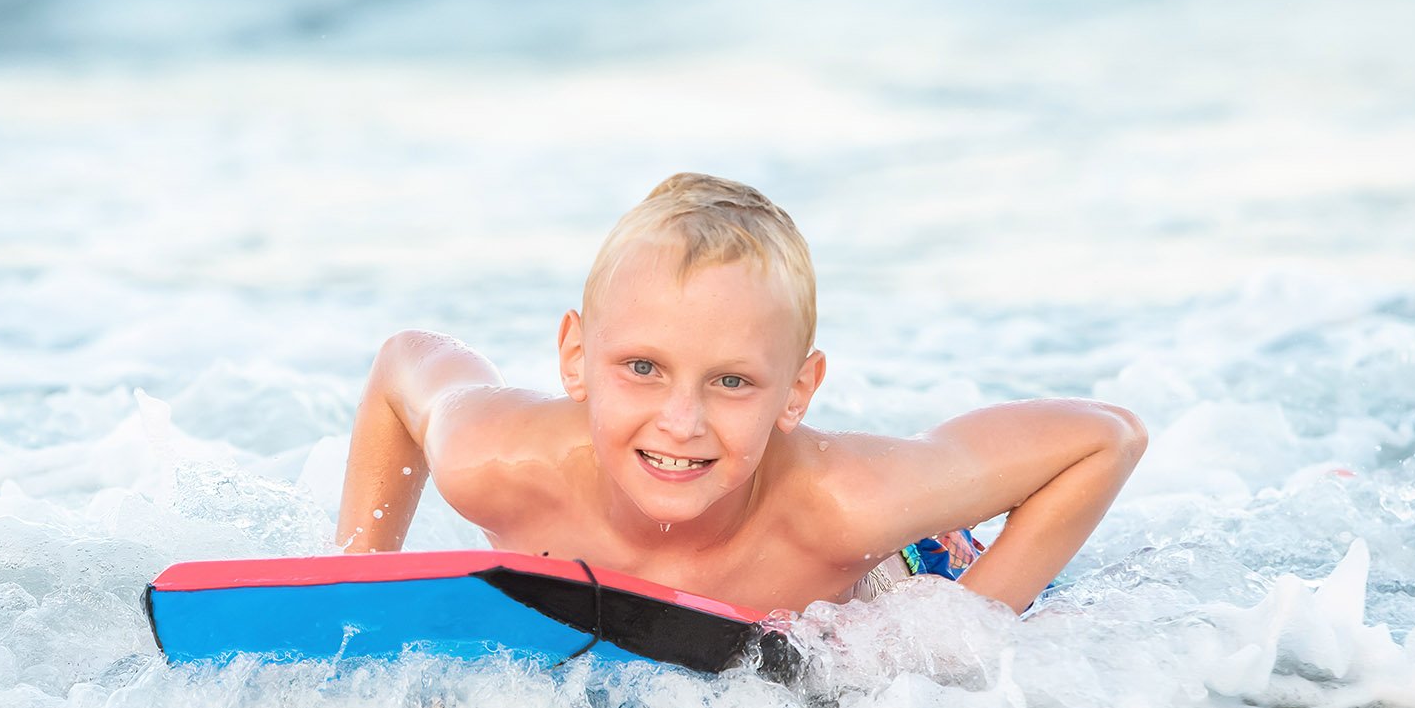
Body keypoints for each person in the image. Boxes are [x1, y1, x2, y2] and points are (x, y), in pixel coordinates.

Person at [333, 173, 1145, 616]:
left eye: (731, 382)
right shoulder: (497, 457)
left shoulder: (843, 506)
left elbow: (1107, 438)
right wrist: (356, 575)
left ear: (797, 392)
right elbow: (406, 362)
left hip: (907, 570)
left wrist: (958, 637)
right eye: (642, 368)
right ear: (576, 357)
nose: (680, 422)